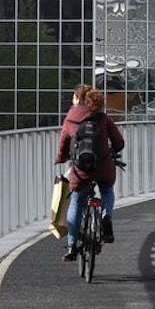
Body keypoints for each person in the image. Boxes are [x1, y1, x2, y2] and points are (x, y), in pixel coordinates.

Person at [56, 84, 125, 261]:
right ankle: (106, 216)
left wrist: (61, 158)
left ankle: (72, 245)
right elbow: (119, 143)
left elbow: (64, 142)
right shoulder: (103, 117)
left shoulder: (71, 118)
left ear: (78, 99)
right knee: (107, 191)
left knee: (77, 201)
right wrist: (113, 151)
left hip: (81, 170)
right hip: (103, 167)